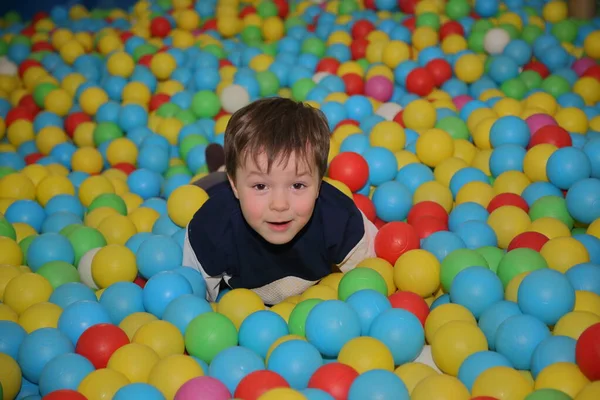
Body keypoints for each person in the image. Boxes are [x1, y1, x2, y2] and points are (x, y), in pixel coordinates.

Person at [183, 97, 378, 305]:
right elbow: (194, 302)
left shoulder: (338, 217)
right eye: (260, 186)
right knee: (207, 184)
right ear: (236, 186)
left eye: (297, 185)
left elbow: (374, 270)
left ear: (319, 184)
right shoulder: (210, 228)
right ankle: (221, 167)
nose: (279, 205)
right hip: (216, 189)